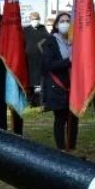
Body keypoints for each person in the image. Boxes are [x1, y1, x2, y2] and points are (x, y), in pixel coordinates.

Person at [42, 13, 78, 151]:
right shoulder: (51, 41)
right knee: (61, 118)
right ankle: (62, 149)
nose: (65, 23)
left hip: (73, 86)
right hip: (57, 86)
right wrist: (67, 62)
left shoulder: (74, 41)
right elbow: (48, 65)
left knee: (73, 119)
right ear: (56, 25)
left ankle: (72, 148)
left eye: (68, 21)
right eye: (62, 21)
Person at [23, 13, 48, 106]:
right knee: (30, 81)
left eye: (37, 19)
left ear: (39, 19)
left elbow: (47, 40)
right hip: (29, 61)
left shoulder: (43, 29)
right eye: (33, 19)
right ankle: (30, 99)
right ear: (30, 19)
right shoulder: (26, 30)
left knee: (39, 81)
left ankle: (39, 100)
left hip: (40, 60)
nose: (35, 21)